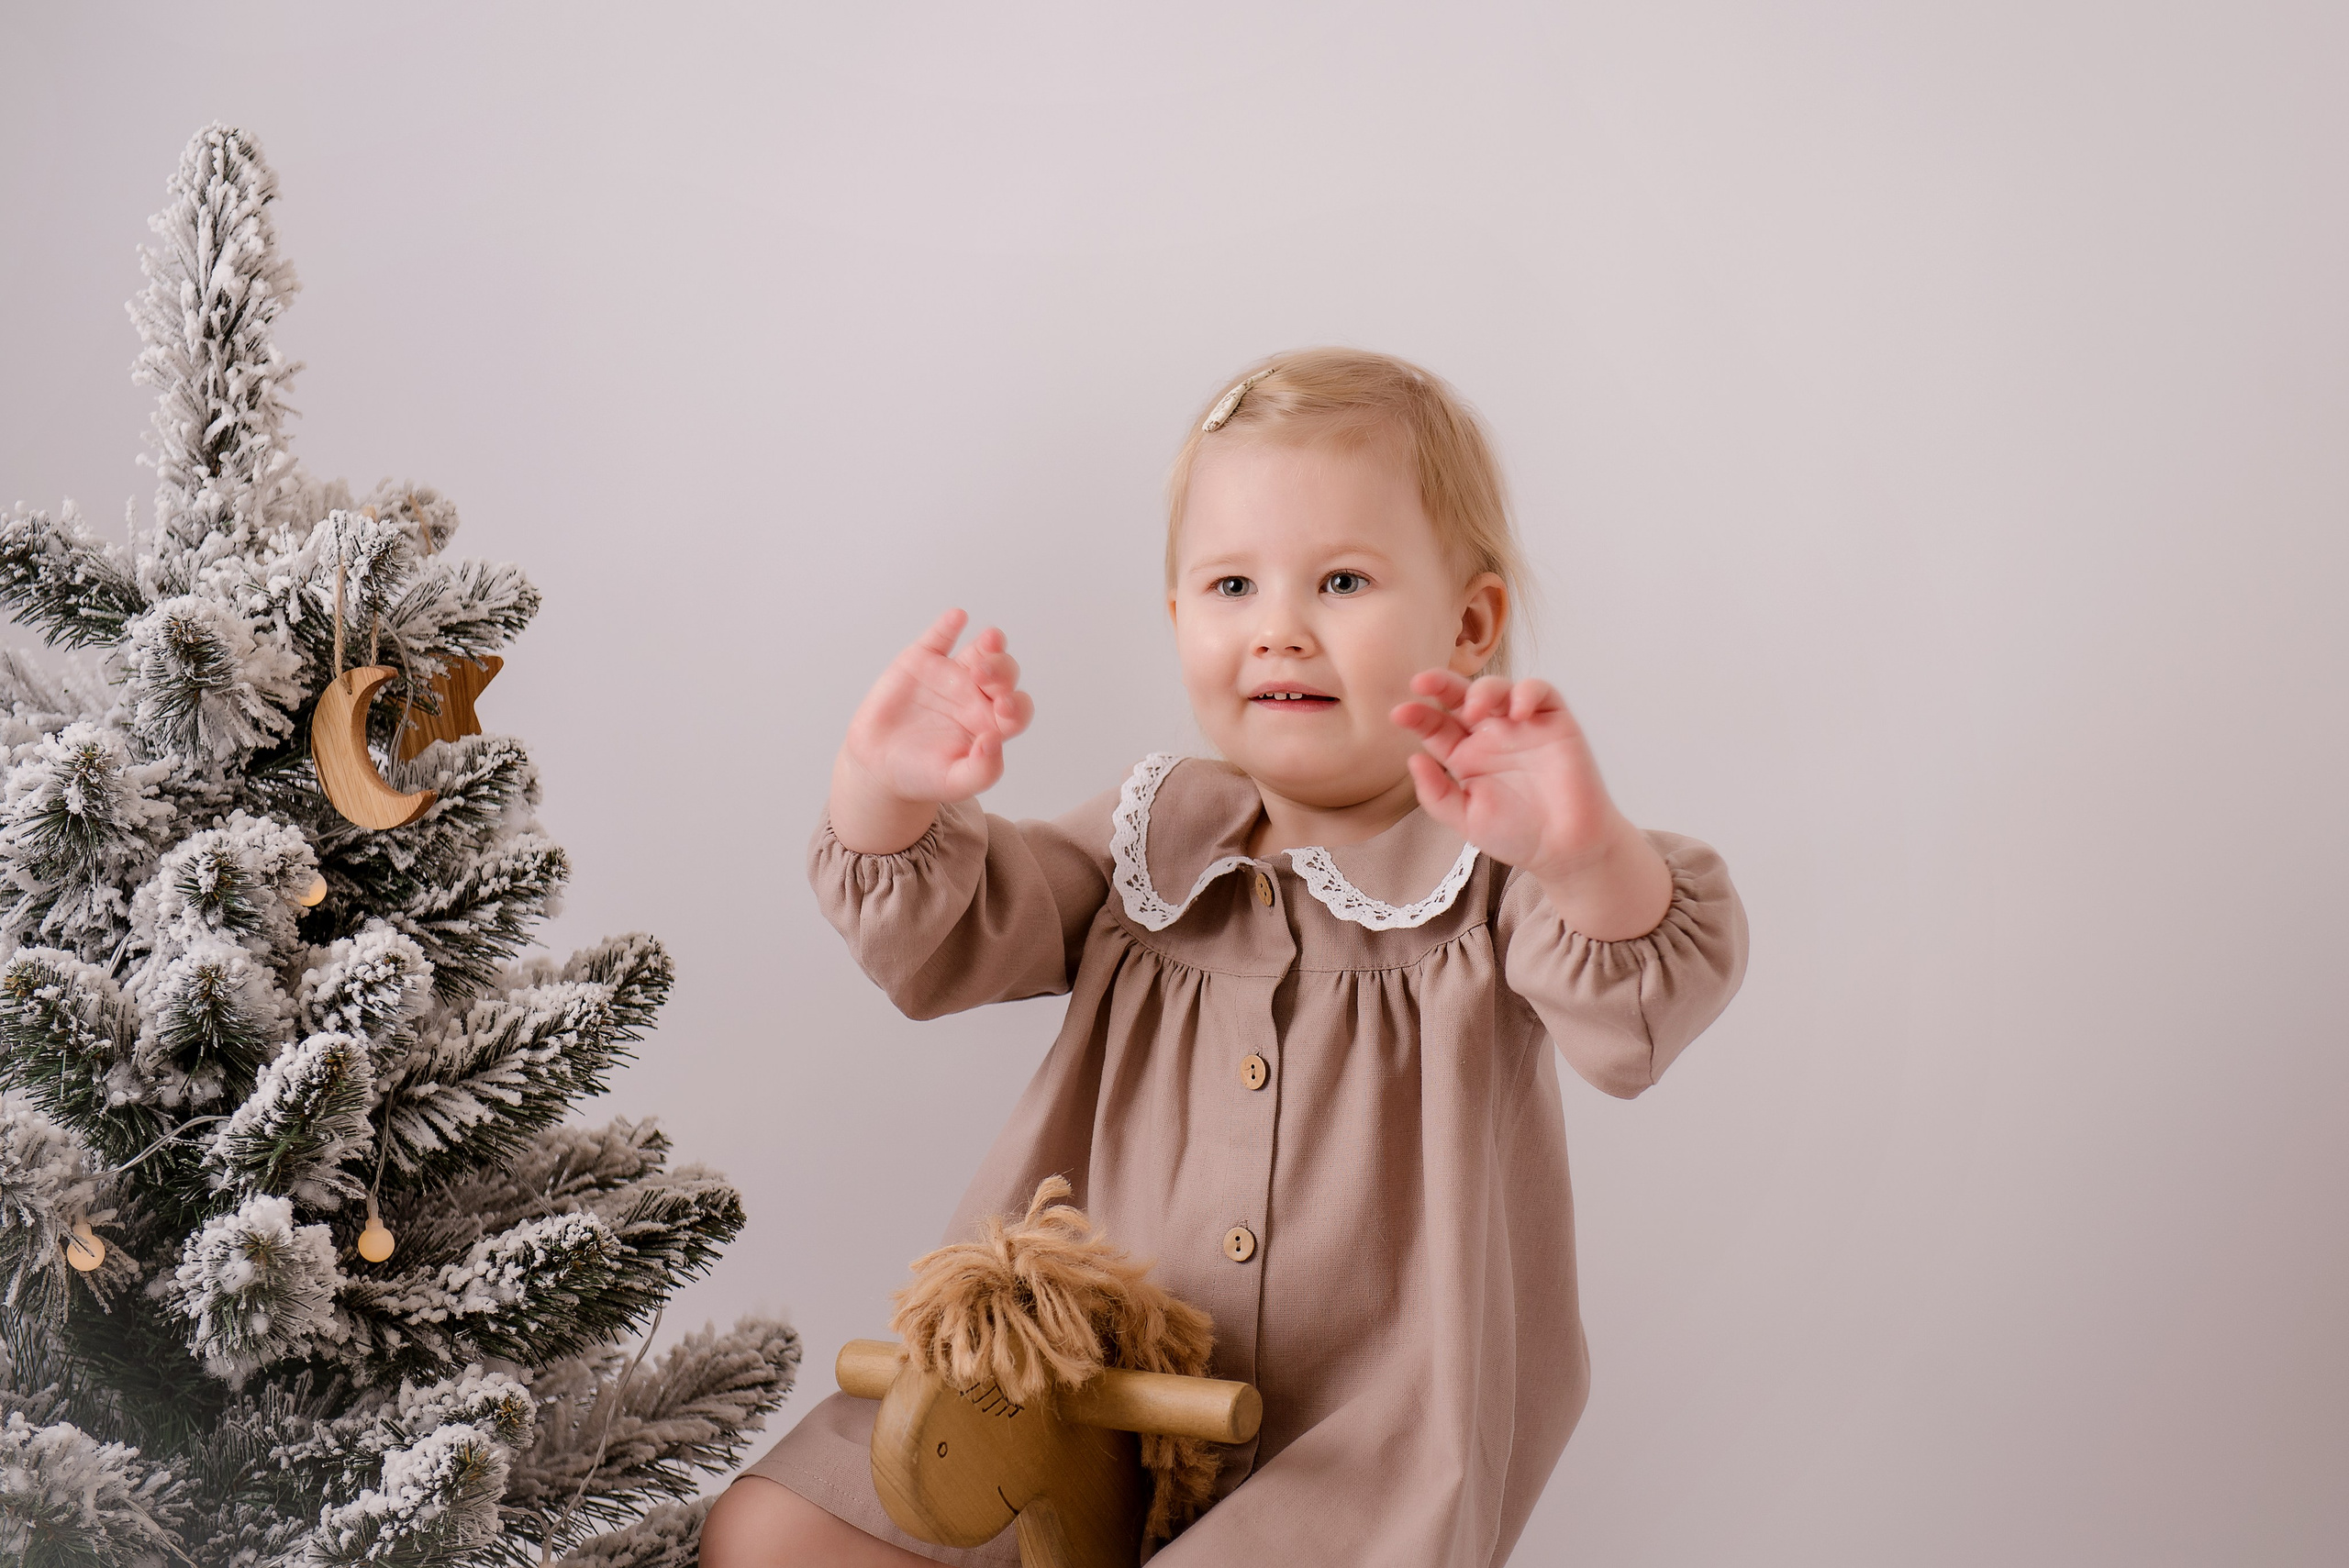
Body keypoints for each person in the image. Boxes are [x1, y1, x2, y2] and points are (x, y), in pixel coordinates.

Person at [701, 349, 1748, 1566]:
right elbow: (946, 941)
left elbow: (1637, 1012)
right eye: (1233, 585)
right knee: (770, 1528)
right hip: (1074, 1393)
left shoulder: (1490, 880)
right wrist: (884, 788)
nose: (1280, 631)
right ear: (1178, 617)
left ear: (1468, 624)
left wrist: (1583, 852)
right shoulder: (1155, 838)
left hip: (1360, 1449)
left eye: (1342, 581)